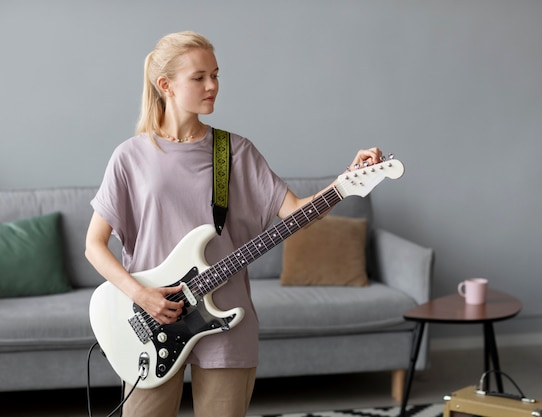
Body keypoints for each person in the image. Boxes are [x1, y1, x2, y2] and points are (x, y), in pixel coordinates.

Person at [85, 30, 383, 417]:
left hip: (226, 320)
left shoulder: (235, 151)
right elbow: (94, 245)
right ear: (166, 85)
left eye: (216, 75)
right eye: (199, 77)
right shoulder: (130, 156)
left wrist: (345, 183)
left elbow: (295, 213)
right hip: (149, 322)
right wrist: (142, 296)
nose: (213, 86)